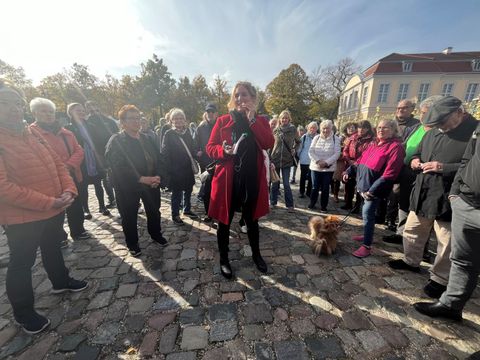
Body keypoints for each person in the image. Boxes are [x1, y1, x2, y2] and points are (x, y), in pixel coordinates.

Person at [0, 79, 88, 334]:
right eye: (5, 104)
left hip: (53, 207)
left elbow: (58, 163)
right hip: (22, 216)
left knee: (53, 247)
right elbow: (3, 187)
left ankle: (60, 281)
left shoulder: (32, 132)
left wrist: (69, 189)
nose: (14, 109)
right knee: (22, 262)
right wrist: (48, 201)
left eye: (17, 103)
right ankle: (23, 312)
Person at [388, 96, 478, 298]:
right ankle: (411, 261)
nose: (440, 127)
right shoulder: (433, 132)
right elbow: (415, 152)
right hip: (423, 190)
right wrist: (414, 160)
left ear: (458, 112)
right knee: (412, 229)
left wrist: (443, 167)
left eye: (443, 123)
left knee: (445, 241)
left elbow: (472, 167)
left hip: (448, 194)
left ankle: (439, 278)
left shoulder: (474, 131)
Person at [206, 81, 274, 279]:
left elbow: (268, 142)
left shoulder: (260, 120)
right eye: (236, 95)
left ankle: (256, 255)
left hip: (252, 178)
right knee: (224, 221)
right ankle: (224, 259)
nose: (239, 99)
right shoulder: (223, 120)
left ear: (253, 98)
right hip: (228, 179)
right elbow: (210, 147)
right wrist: (222, 150)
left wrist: (252, 120)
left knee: (252, 220)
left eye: (244, 95)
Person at [414, 121, 480, 321]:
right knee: (462, 260)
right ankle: (451, 305)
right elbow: (468, 160)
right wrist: (456, 193)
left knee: (447, 243)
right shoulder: (477, 130)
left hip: (459, 201)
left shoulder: (469, 128)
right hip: (467, 201)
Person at [105, 105, 168, 257]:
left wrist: (158, 176)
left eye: (138, 118)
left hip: (152, 183)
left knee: (154, 211)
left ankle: (155, 234)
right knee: (129, 216)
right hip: (128, 187)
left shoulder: (146, 138)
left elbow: (159, 158)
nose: (136, 121)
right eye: (131, 118)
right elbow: (117, 166)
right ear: (122, 122)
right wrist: (141, 179)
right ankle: (132, 243)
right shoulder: (116, 140)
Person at [29, 98, 90, 244]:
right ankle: (59, 236)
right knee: (55, 209)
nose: (48, 114)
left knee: (75, 204)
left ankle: (78, 230)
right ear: (34, 113)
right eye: (43, 111)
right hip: (49, 178)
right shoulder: (30, 134)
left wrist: (69, 165)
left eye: (51, 111)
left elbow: (78, 150)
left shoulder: (66, 132)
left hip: (71, 174)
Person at [382, 95, 442, 244]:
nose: (421, 115)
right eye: (421, 112)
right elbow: (408, 146)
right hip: (407, 172)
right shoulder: (418, 128)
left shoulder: (438, 131)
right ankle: (401, 233)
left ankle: (422, 246)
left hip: (423, 176)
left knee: (420, 211)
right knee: (403, 204)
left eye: (424, 112)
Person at [345, 119, 405, 258]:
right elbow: (360, 161)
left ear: (393, 129)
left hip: (374, 190)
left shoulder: (396, 147)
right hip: (363, 186)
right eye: (379, 127)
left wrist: (372, 191)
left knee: (368, 214)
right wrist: (348, 171)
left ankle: (366, 246)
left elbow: (390, 173)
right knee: (365, 215)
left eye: (385, 127)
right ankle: (367, 234)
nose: (381, 130)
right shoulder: (374, 144)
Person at [378, 99, 421, 229]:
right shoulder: (392, 122)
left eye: (404, 108)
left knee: (398, 194)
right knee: (385, 191)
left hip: (405, 165)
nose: (400, 110)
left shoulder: (416, 125)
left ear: (412, 109)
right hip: (388, 162)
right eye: (398, 108)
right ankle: (384, 217)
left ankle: (394, 222)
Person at [66, 103, 111, 218]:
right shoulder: (69, 128)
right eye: (78, 111)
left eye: (82, 110)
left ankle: (102, 206)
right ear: (70, 112)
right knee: (83, 185)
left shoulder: (91, 125)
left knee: (98, 183)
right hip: (80, 160)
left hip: (94, 158)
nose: (81, 112)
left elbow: (99, 141)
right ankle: (86, 209)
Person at [161, 108, 199, 224]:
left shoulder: (187, 132)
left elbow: (192, 148)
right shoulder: (169, 134)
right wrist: (168, 170)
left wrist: (197, 153)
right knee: (176, 193)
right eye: (176, 118)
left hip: (187, 169)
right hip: (175, 169)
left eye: (181, 118)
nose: (178, 120)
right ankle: (175, 214)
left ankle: (187, 209)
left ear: (184, 120)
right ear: (171, 121)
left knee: (188, 190)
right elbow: (164, 152)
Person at [84, 100, 118, 208]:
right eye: (90, 108)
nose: (93, 110)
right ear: (87, 109)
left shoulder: (108, 121)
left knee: (118, 175)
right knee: (105, 177)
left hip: (113, 152)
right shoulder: (86, 123)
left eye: (94, 106)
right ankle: (111, 199)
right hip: (98, 154)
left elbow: (117, 134)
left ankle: (124, 198)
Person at [308, 120, 341, 212]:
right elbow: (311, 151)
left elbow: (337, 153)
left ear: (331, 128)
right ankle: (312, 203)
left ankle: (323, 206)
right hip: (316, 167)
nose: (325, 130)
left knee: (325, 188)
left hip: (328, 169)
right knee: (315, 187)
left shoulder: (336, 139)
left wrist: (326, 162)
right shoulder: (316, 138)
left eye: (327, 128)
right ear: (321, 129)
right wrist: (318, 161)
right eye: (323, 128)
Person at [341, 120, 375, 211]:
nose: (361, 130)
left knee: (360, 186)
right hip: (350, 164)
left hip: (362, 165)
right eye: (359, 127)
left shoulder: (371, 140)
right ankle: (348, 203)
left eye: (364, 128)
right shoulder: (352, 138)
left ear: (368, 129)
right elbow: (345, 150)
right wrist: (348, 160)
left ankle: (357, 206)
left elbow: (368, 153)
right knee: (348, 185)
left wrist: (357, 163)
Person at [270, 110, 300, 211]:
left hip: (287, 160)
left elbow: (298, 142)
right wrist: (270, 159)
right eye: (282, 118)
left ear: (289, 119)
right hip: (276, 160)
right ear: (280, 119)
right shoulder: (275, 130)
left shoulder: (293, 129)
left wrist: (294, 149)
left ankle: (290, 205)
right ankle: (273, 202)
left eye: (286, 118)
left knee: (286, 184)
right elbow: (271, 145)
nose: (284, 120)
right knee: (275, 183)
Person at [196, 103, 218, 222]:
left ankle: (218, 210)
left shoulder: (220, 126)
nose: (210, 114)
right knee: (207, 188)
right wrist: (198, 154)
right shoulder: (200, 128)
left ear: (216, 113)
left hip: (219, 162)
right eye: (208, 112)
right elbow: (196, 144)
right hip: (205, 163)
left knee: (218, 188)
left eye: (212, 112)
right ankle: (209, 213)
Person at [332, 122, 357, 203]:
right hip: (341, 160)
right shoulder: (341, 138)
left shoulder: (357, 138)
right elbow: (336, 149)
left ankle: (348, 197)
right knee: (337, 179)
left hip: (350, 162)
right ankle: (335, 195)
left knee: (349, 180)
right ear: (346, 129)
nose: (351, 129)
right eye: (349, 127)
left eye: (352, 127)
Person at [297, 121, 318, 198]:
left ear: (316, 129)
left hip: (314, 161)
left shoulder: (318, 137)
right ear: (308, 128)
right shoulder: (304, 137)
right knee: (303, 176)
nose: (312, 129)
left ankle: (309, 192)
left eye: (314, 128)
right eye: (311, 128)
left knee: (311, 177)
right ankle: (301, 192)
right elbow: (300, 148)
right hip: (304, 160)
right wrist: (300, 156)